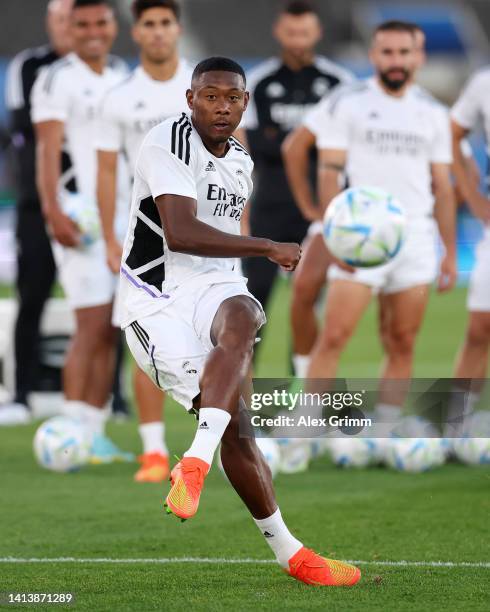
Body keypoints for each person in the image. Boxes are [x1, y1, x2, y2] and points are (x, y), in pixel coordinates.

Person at [119, 56, 360, 586]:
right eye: (210, 96)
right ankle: (290, 553)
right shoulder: (167, 142)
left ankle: (195, 462)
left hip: (213, 283)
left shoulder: (242, 162)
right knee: (237, 429)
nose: (221, 107)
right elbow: (180, 233)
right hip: (156, 299)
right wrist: (267, 246)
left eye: (232, 97)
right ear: (190, 99)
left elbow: (221, 249)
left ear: (246, 103)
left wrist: (246, 263)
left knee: (247, 314)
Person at [305, 21, 456, 430]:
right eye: (386, 52)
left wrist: (450, 251)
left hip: (416, 240)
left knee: (402, 340)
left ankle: (385, 430)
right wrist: (334, 233)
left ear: (418, 57)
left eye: (403, 52)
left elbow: (442, 187)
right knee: (334, 336)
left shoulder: (434, 114)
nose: (395, 60)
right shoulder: (348, 102)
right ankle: (304, 427)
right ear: (373, 55)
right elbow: (329, 171)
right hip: (360, 238)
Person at [31, 0, 132, 462]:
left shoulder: (122, 77)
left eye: (100, 23)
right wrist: (53, 211)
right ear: (69, 28)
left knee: (112, 326)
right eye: (83, 24)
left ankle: (94, 430)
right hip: (83, 218)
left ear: (113, 27)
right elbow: (47, 151)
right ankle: (71, 432)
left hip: (123, 216)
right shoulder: (57, 78)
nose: (93, 32)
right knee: (90, 325)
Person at [95, 0, 192, 482]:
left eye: (165, 24)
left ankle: (212, 443)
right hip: (142, 244)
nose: (157, 33)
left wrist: (239, 232)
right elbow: (106, 169)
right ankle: (153, 450)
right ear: (136, 33)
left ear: (178, 29)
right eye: (149, 24)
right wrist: (112, 237)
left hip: (201, 236)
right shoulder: (117, 96)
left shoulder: (205, 87)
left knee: (223, 339)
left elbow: (239, 162)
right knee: (143, 341)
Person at [238, 0, 353, 328]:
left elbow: (343, 150)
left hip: (321, 206)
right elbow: (249, 148)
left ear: (316, 32)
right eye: (292, 32)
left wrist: (278, 140)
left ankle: (303, 376)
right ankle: (242, 378)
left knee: (309, 300)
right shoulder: (258, 83)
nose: (298, 40)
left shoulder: (338, 83)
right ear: (279, 32)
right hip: (269, 205)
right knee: (252, 298)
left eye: (304, 32)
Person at [0, 0, 73, 426]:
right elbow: (25, 126)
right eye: (62, 20)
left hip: (97, 209)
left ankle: (111, 397)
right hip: (38, 205)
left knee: (108, 309)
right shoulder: (29, 67)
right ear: (52, 23)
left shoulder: (109, 70)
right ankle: (22, 393)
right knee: (33, 298)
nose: (70, 28)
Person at [449, 63, 490, 432]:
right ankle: (456, 425)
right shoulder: (483, 82)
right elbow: (452, 134)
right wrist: (472, 195)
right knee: (481, 326)